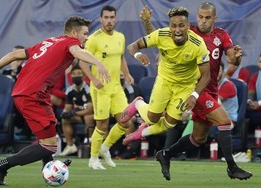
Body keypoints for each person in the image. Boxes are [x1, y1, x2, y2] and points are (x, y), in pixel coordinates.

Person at [128, 3, 252, 180]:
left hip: (210, 88)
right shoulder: (187, 31)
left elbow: (232, 58)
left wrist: (237, 58)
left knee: (199, 138)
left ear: (214, 19)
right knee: (224, 121)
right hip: (194, 88)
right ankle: (232, 167)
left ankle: (166, 154)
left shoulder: (221, 35)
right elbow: (161, 37)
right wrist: (147, 23)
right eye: (200, 16)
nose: (203, 21)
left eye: (207, 17)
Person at [0, 16, 109, 185]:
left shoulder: (47, 42)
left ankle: (50, 170)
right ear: (73, 33)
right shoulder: (70, 43)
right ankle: (1, 165)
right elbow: (78, 52)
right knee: (49, 145)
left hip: (33, 94)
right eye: (85, 33)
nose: (87, 37)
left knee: (49, 139)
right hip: (32, 95)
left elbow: (14, 55)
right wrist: (98, 62)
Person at [122, 5, 210, 159]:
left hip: (185, 86)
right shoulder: (162, 35)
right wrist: (137, 54)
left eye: (181, 25)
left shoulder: (198, 44)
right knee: (152, 118)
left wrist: (194, 95)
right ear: (169, 26)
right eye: (173, 26)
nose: (177, 30)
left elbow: (206, 75)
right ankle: (137, 104)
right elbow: (132, 46)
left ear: (188, 26)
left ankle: (140, 133)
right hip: (165, 81)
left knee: (170, 123)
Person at [79, 5, 134, 170]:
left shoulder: (121, 37)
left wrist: (128, 74)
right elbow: (82, 61)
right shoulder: (94, 39)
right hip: (100, 88)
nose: (109, 21)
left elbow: (121, 58)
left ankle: (105, 147)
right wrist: (93, 80)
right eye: (106, 17)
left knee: (126, 121)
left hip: (117, 88)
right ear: (101, 19)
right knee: (101, 125)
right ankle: (93, 158)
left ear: (115, 19)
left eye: (112, 17)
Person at [59, 63, 94, 156]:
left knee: (88, 117)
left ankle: (90, 142)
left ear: (84, 75)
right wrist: (65, 113)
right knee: (65, 119)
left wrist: (74, 112)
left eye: (79, 73)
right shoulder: (70, 90)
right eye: (74, 74)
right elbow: (67, 107)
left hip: (92, 115)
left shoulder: (89, 89)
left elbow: (90, 110)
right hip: (80, 115)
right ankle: (70, 145)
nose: (76, 76)